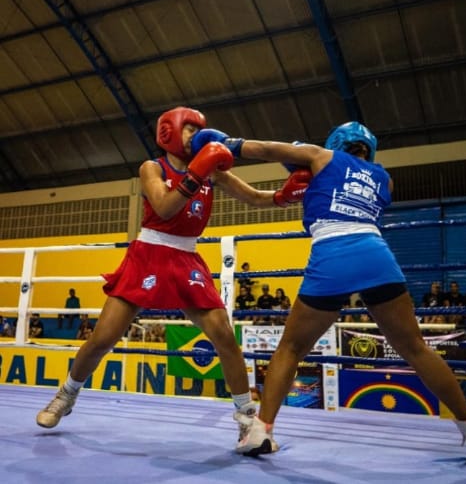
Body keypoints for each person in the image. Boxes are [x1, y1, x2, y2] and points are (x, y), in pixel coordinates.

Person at [190, 121, 466, 466]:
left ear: (337, 142)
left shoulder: (322, 155)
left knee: (291, 348)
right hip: (377, 254)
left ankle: (261, 431)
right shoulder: (384, 177)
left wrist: (226, 143)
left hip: (333, 252)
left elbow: (263, 149)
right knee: (415, 348)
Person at [35, 106, 309, 451]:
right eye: (188, 128)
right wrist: (197, 172)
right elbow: (164, 207)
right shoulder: (153, 167)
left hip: (186, 257)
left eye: (199, 128)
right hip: (148, 253)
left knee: (224, 336)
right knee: (103, 338)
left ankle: (246, 421)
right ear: (169, 132)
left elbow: (254, 197)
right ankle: (66, 396)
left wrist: (285, 195)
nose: (195, 135)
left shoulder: (213, 170)